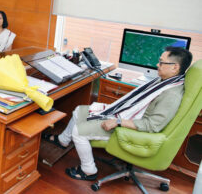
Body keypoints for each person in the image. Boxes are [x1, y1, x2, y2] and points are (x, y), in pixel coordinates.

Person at [42, 47, 193, 181]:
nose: (157, 65)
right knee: (79, 111)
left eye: (161, 63)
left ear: (175, 67)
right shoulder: (166, 81)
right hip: (127, 117)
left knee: (78, 132)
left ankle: (88, 171)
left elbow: (152, 125)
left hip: (132, 128)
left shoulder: (171, 95)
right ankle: (63, 140)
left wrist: (118, 121)